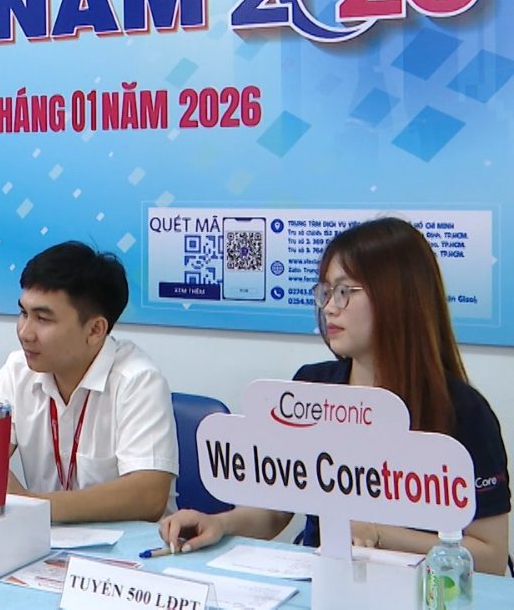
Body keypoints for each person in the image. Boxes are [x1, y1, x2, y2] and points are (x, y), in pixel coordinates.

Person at [159, 217, 511, 575]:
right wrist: (219, 524)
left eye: (345, 291)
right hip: (323, 582)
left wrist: (378, 534)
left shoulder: (462, 411)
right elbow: (274, 510)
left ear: (397, 296)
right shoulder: (311, 388)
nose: (329, 307)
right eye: (325, 292)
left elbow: (491, 557)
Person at [0, 241, 178, 523]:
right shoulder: (17, 371)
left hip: (130, 545)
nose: (25, 333)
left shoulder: (138, 380)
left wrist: (32, 505)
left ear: (95, 330)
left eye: (43, 318)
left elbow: (148, 496)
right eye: (23, 313)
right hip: (43, 541)